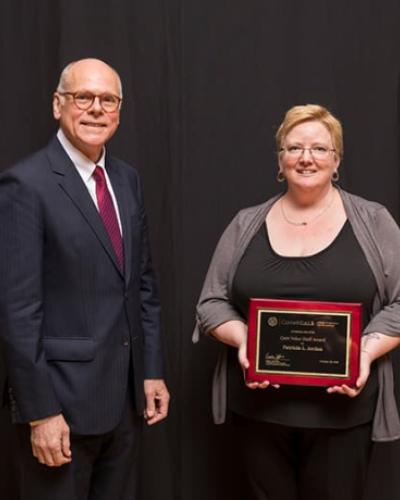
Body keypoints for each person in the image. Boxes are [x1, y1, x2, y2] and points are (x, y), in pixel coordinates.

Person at [193, 104, 400, 500]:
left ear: (336, 159)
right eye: (294, 148)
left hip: (344, 416)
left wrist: (365, 354)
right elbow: (211, 302)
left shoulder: (374, 222)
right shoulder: (245, 223)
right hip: (258, 412)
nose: (306, 158)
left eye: (320, 149)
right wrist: (245, 342)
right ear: (280, 158)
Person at [0, 58, 170, 500]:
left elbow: (142, 284)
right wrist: (40, 413)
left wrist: (150, 371)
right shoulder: (25, 185)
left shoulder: (126, 180)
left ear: (119, 110)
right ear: (58, 105)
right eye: (83, 97)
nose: (96, 109)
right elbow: (17, 311)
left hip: (125, 406)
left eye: (108, 100)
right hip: (60, 409)